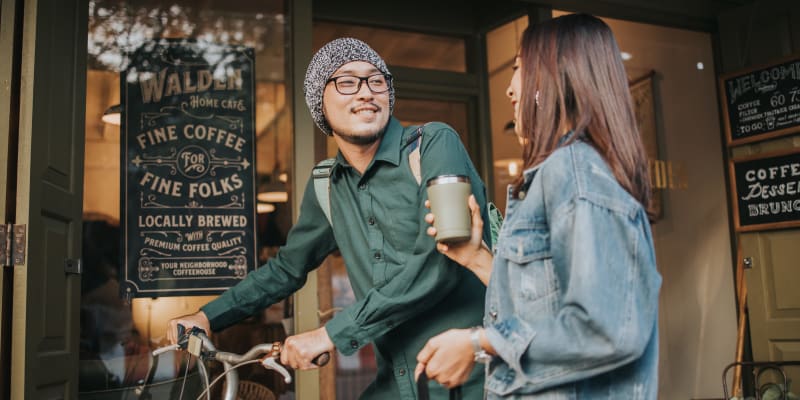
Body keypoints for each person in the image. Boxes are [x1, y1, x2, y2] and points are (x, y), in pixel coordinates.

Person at [168, 37, 490, 400]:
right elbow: (286, 269)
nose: (366, 92)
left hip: (473, 381)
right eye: (347, 82)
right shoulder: (326, 184)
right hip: (397, 383)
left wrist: (330, 335)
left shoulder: (432, 144)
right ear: (318, 103)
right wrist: (208, 317)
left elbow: (439, 261)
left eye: (376, 80)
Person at [414, 13, 662, 399]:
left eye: (518, 69)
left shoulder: (573, 170)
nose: (510, 90)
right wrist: (477, 258)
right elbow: (547, 306)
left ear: (549, 81)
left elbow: (607, 327)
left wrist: (478, 342)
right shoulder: (563, 172)